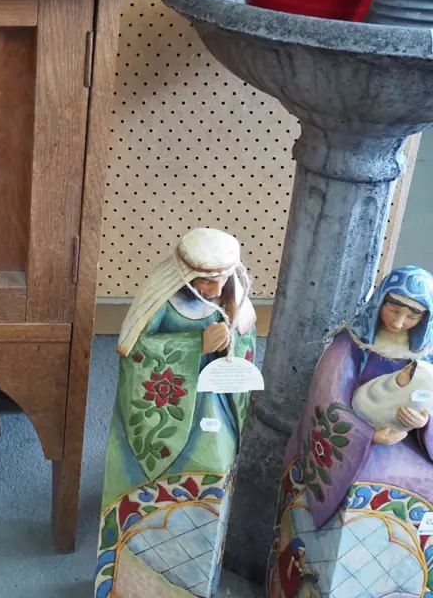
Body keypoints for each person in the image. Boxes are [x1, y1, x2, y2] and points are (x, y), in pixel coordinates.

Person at [95, 228, 258, 598]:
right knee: (164, 476)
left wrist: (231, 340)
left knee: (214, 466)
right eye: (205, 280)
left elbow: (246, 341)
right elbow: (135, 351)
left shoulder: (232, 298)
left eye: (221, 280)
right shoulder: (163, 300)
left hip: (212, 403)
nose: (214, 289)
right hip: (169, 408)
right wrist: (196, 345)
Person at [267, 266, 433, 598]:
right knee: (353, 491)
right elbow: (327, 398)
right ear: (380, 300)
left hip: (407, 443)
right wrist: (366, 435)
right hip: (351, 443)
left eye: (412, 316)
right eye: (393, 308)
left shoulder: (426, 355)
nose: (399, 321)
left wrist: (423, 421)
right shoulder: (352, 344)